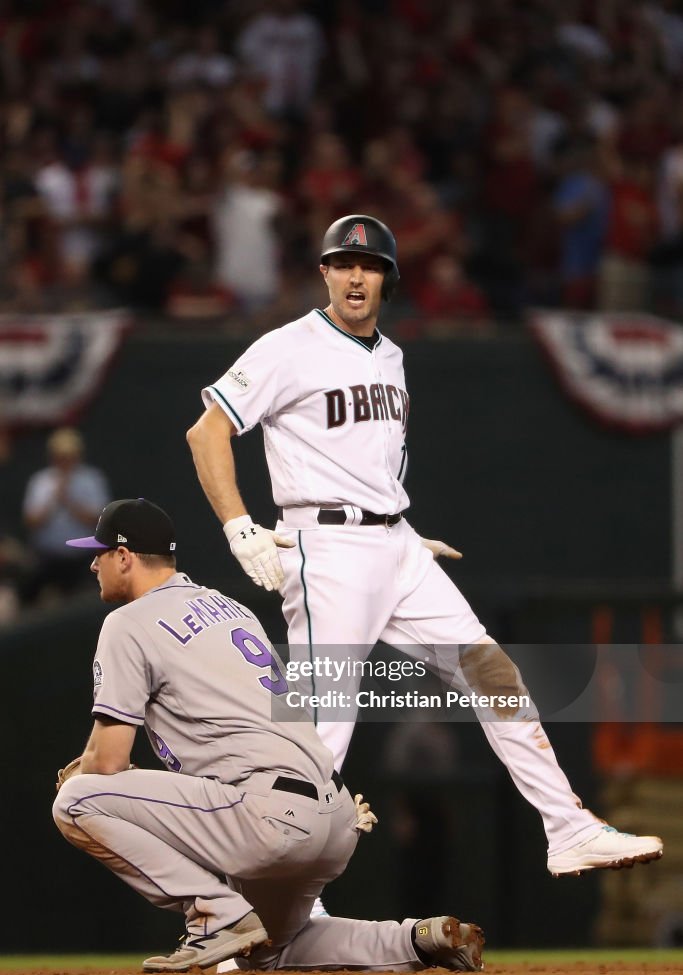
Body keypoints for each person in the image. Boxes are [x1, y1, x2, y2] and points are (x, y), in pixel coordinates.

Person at [186, 213, 663, 878]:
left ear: (387, 280)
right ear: (323, 273)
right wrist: (238, 525)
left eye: (370, 266)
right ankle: (256, 894)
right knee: (320, 737)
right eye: (343, 264)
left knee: (493, 674)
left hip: (395, 547)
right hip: (325, 550)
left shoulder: (391, 357)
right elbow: (205, 433)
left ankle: (568, 828)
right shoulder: (285, 348)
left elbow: (379, 462)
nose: (356, 276)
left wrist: (397, 526)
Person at [52, 497, 484, 974]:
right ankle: (419, 939)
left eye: (100, 552)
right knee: (272, 949)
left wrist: (85, 774)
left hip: (267, 815)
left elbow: (109, 761)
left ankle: (213, 915)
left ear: (125, 556)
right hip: (336, 813)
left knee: (75, 801)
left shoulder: (127, 622)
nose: (93, 563)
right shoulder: (230, 607)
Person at [21, 427, 110, 604]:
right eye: (60, 455)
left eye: (69, 455)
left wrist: (69, 502)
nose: (65, 460)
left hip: (84, 558)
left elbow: (100, 519)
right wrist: (54, 500)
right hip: (48, 557)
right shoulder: (41, 482)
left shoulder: (91, 479)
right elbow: (31, 521)